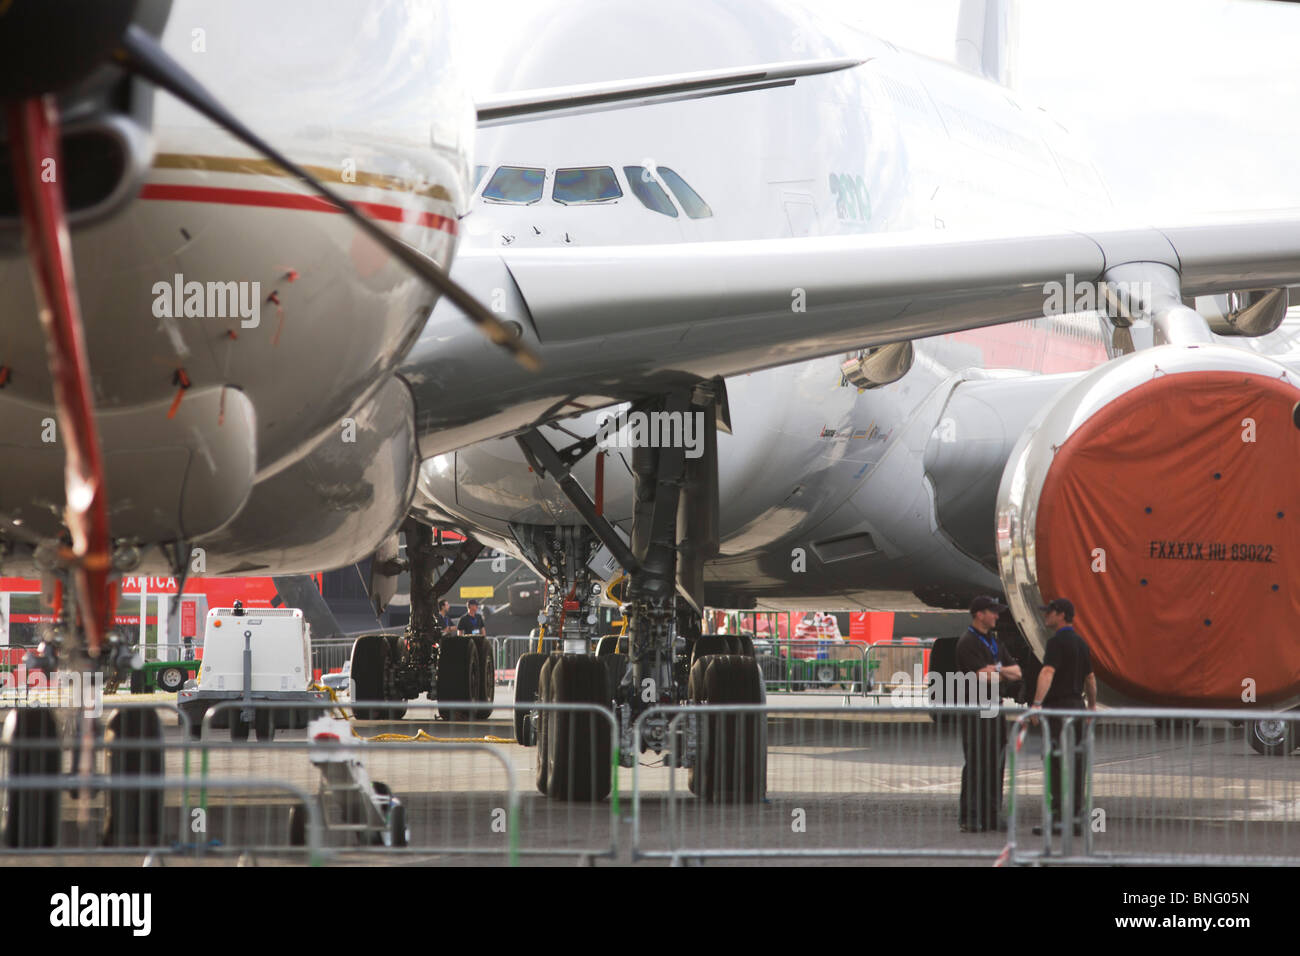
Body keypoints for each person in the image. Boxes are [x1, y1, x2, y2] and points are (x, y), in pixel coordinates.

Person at [1030, 597, 1097, 836]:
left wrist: (1037, 703)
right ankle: (1076, 819)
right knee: (1077, 763)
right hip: (1077, 708)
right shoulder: (1081, 643)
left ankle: (1058, 820)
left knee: (1057, 763)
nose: (1045, 616)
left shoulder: (1056, 643)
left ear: (1061, 615)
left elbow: (1048, 671)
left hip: (1059, 709)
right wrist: (1091, 707)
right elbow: (1090, 678)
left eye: (1049, 612)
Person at [955, 595, 1022, 832]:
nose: (997, 616)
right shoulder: (967, 642)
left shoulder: (994, 642)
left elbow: (1017, 672)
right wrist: (998, 672)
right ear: (979, 614)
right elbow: (981, 676)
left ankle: (991, 813)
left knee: (996, 761)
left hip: (994, 705)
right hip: (976, 707)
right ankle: (970, 816)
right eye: (992, 612)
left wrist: (996, 670)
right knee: (976, 762)